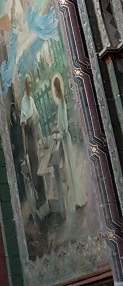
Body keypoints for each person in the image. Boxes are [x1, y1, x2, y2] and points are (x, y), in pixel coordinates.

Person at [50, 75, 87, 212]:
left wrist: (58, 131)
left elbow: (64, 127)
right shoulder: (61, 102)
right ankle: (77, 198)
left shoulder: (62, 103)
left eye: (55, 89)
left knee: (70, 168)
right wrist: (57, 127)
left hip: (65, 140)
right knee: (69, 168)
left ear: (56, 88)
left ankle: (78, 199)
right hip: (65, 139)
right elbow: (61, 122)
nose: (54, 91)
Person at [20, 75, 48, 219]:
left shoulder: (31, 100)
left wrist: (42, 139)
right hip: (30, 139)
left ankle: (44, 199)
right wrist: (25, 149)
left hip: (35, 137)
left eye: (31, 83)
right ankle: (40, 200)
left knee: (43, 165)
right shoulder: (24, 101)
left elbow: (36, 118)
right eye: (28, 83)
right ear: (25, 85)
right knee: (35, 168)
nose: (30, 85)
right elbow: (24, 123)